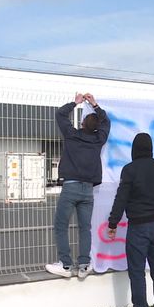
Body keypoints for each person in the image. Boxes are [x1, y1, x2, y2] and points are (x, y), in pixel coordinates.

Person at [107, 133, 154, 307]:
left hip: (138, 226)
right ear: (150, 148)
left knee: (137, 269)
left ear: (134, 149)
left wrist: (113, 223)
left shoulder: (130, 170)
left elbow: (122, 198)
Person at [46, 93, 111, 279]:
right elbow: (107, 123)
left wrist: (75, 103)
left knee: (61, 225)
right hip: (88, 190)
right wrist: (95, 105)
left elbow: (60, 115)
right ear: (97, 128)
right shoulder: (99, 140)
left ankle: (66, 265)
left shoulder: (72, 135)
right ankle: (84, 265)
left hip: (71, 187)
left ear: (82, 124)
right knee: (85, 228)